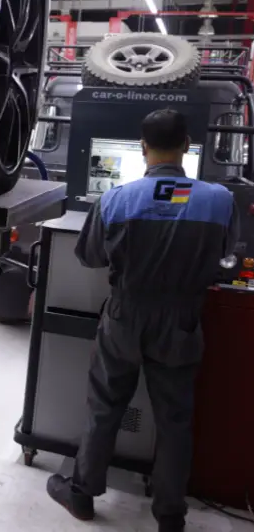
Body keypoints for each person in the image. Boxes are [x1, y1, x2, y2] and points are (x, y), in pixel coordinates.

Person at [46, 109, 239, 532]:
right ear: (187, 145)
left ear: (142, 148)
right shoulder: (219, 200)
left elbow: (89, 256)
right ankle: (170, 516)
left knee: (105, 407)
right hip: (182, 321)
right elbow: (227, 262)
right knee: (174, 420)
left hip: (125, 317)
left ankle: (82, 494)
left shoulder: (116, 200)